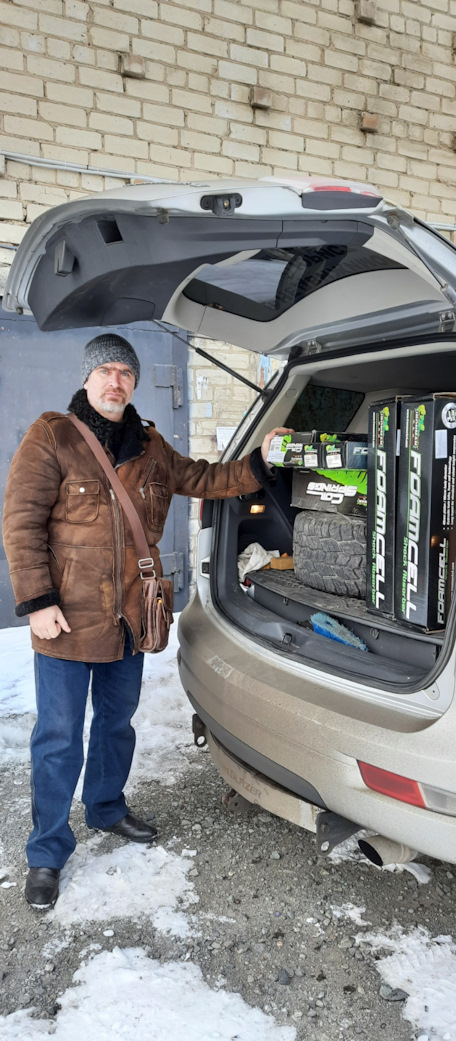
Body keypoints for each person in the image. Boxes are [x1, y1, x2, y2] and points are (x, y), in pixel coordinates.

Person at [2, 333, 284, 910]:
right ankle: (47, 851)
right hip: (66, 620)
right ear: (87, 378)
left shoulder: (151, 445)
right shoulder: (52, 435)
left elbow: (204, 479)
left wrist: (261, 462)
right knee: (58, 737)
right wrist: (38, 601)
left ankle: (106, 808)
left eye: (125, 373)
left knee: (116, 724)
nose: (116, 381)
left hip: (131, 618)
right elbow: (21, 521)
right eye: (105, 370)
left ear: (134, 383)